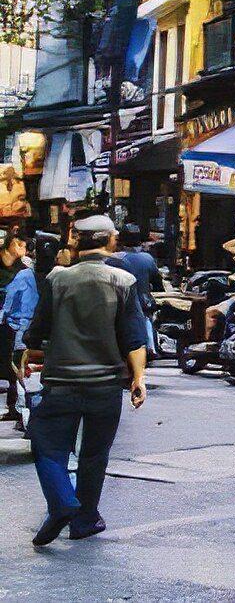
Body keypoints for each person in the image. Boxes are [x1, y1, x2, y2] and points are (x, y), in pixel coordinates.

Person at [22, 213, 146, 545]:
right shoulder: (124, 280)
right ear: (109, 240)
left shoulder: (57, 279)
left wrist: (34, 345)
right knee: (94, 453)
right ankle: (84, 519)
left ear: (78, 242)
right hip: (105, 386)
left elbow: (36, 332)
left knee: (48, 446)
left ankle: (62, 502)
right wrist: (139, 378)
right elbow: (134, 338)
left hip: (60, 384)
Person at [109, 224, 162, 352]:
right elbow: (158, 285)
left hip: (117, 306)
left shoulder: (112, 260)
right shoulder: (147, 259)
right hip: (144, 306)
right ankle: (151, 347)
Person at [1, 232, 32, 424]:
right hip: (14, 323)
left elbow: (11, 301)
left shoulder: (23, 270)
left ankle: (19, 410)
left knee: (17, 366)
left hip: (15, 324)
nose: (23, 249)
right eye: (19, 244)